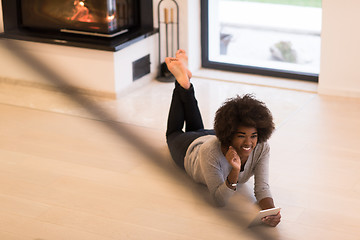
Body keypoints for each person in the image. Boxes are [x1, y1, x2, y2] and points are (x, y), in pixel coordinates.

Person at [165, 49, 281, 227]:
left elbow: (262, 187)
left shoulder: (262, 147)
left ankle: (185, 80)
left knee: (198, 128)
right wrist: (234, 171)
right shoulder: (210, 151)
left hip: (211, 135)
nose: (249, 143)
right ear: (230, 134)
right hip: (192, 149)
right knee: (173, 133)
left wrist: (270, 212)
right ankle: (180, 82)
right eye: (242, 136)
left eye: (254, 136)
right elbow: (219, 200)